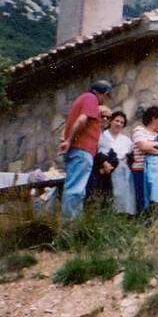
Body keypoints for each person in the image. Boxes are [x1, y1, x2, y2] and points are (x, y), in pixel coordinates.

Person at [59, 80, 112, 220]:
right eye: (107, 97)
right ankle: (69, 229)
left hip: (80, 150)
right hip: (82, 151)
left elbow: (70, 125)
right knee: (75, 190)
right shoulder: (91, 98)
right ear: (105, 94)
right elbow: (82, 120)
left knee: (78, 190)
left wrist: (67, 141)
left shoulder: (83, 99)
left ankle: (74, 225)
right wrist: (69, 141)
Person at [132, 106, 158, 213]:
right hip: (140, 170)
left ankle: (157, 223)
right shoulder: (139, 130)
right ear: (152, 118)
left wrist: (153, 145)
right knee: (142, 199)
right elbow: (143, 146)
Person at [98, 111, 136, 215]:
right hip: (105, 168)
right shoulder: (102, 136)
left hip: (122, 170)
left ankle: (122, 214)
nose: (119, 124)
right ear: (110, 121)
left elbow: (130, 156)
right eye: (117, 120)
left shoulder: (126, 140)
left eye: (122, 122)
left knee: (122, 194)